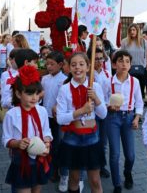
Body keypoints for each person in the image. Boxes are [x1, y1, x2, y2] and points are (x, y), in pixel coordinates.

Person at [56, 52, 107, 193]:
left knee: (95, 181)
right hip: (72, 138)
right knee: (74, 179)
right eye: (73, 65)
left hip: (92, 138)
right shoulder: (64, 89)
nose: (77, 68)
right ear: (69, 68)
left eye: (81, 64)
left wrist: (96, 98)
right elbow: (60, 118)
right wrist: (80, 111)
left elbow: (103, 115)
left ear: (88, 66)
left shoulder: (95, 87)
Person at [2, 65, 52, 192]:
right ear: (18, 93)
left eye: (37, 93)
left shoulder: (42, 111)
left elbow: (46, 132)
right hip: (21, 161)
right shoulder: (11, 114)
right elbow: (6, 139)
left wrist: (46, 143)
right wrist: (18, 143)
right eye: (29, 93)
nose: (34, 97)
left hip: (39, 158)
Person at [106, 50, 143, 193]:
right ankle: (116, 183)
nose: (124, 64)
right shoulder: (109, 81)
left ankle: (128, 172)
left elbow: (139, 103)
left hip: (128, 118)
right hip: (112, 118)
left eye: (127, 61)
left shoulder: (135, 82)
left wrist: (137, 117)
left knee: (131, 155)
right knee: (114, 153)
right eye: (120, 61)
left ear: (130, 64)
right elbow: (101, 101)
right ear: (114, 64)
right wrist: (108, 106)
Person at [40, 51, 66, 182]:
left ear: (60, 64)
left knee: (57, 144)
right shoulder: (44, 79)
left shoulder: (64, 80)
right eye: (47, 63)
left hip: (57, 118)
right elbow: (42, 96)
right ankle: (48, 168)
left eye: (52, 64)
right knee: (47, 143)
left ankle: (56, 170)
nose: (49, 66)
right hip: (45, 117)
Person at [89, 48, 111, 179]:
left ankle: (101, 166)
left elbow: (109, 93)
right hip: (91, 112)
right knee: (93, 140)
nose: (98, 61)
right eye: (95, 59)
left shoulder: (107, 74)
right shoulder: (88, 75)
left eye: (100, 58)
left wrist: (109, 103)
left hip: (104, 111)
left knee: (103, 141)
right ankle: (93, 165)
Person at [120, 24, 147, 100]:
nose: (132, 32)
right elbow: (121, 56)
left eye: (134, 30)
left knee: (141, 90)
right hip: (129, 69)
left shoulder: (143, 42)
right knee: (130, 89)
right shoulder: (124, 42)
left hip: (142, 69)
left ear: (137, 31)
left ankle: (139, 107)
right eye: (130, 30)